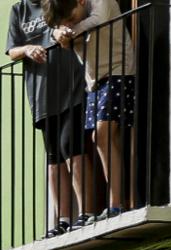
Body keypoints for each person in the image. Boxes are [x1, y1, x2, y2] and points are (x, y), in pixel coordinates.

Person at [43, 0, 134, 220]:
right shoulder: (68, 22)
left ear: (81, 1)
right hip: (94, 82)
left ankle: (116, 204)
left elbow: (98, 20)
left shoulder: (100, 1)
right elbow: (58, 35)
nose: (72, 25)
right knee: (99, 138)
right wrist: (57, 35)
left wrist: (67, 32)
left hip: (119, 71)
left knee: (103, 135)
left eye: (73, 18)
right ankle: (114, 204)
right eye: (67, 24)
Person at [6, 0, 90, 238]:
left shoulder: (55, 2)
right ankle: (63, 219)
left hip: (72, 86)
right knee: (53, 158)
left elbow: (76, 20)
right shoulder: (18, 10)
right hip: (42, 95)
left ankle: (87, 211)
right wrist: (28, 49)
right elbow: (12, 50)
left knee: (70, 146)